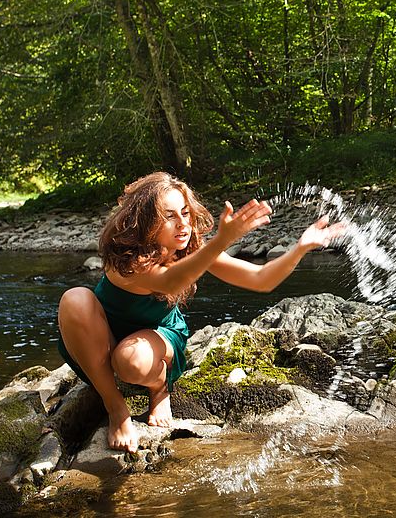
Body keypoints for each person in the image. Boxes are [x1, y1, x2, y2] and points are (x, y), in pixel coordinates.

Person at [56, 172, 344, 452]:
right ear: (143, 221)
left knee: (130, 360)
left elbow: (261, 279)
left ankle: (160, 388)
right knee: (75, 299)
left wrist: (300, 248)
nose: (182, 224)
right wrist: (222, 240)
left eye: (185, 212)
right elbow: (169, 280)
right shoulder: (126, 259)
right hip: (102, 342)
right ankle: (115, 406)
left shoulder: (192, 251)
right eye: (169, 216)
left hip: (155, 344)